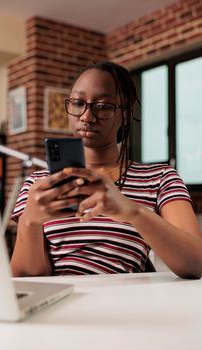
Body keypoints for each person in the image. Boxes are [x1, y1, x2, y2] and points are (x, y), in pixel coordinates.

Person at [10, 61, 202, 278]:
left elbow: (196, 264)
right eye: (77, 103)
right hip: (59, 303)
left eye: (103, 106)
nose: (86, 117)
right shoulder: (39, 184)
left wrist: (132, 211)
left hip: (124, 305)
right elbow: (27, 280)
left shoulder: (159, 178)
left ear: (127, 114)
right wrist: (30, 221)